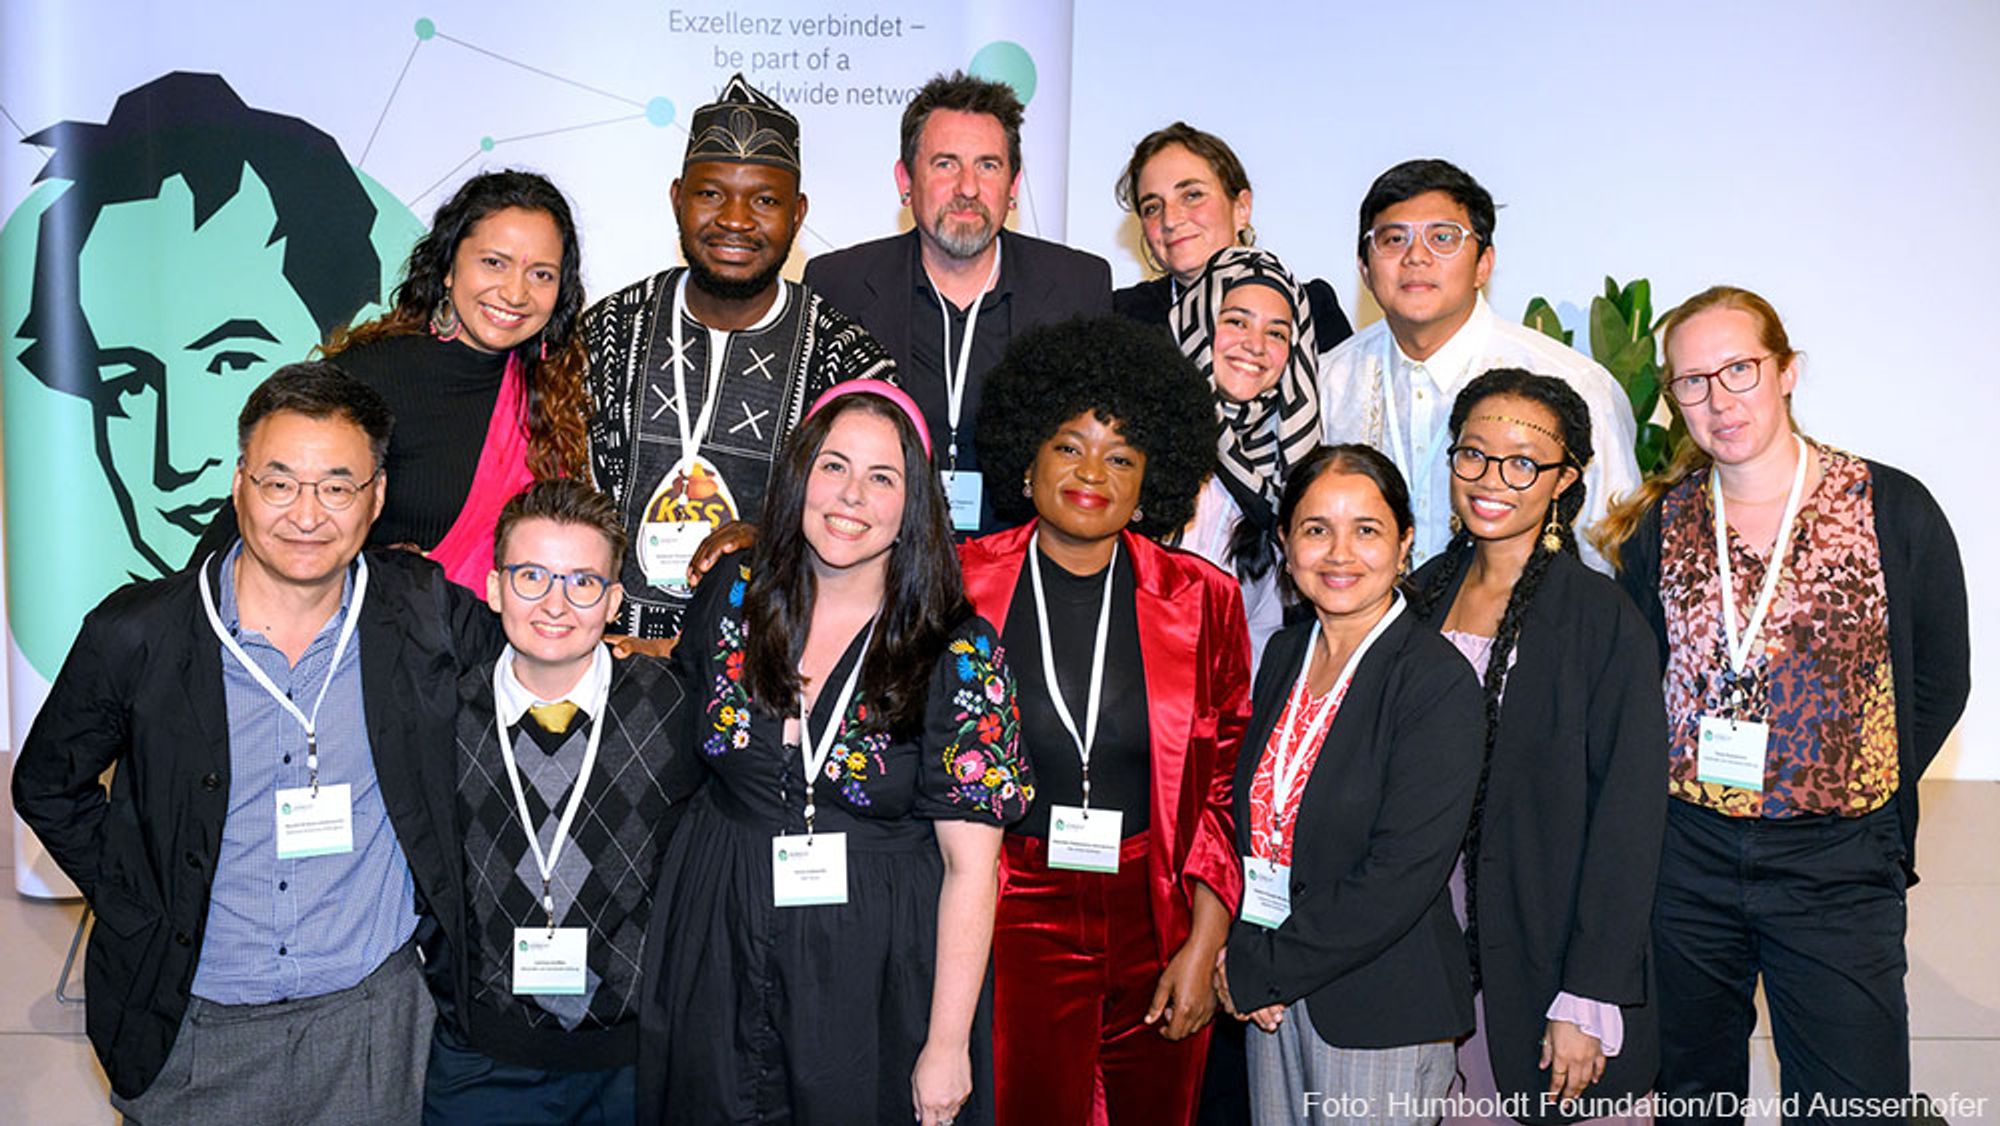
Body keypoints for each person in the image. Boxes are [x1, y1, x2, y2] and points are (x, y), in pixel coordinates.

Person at [11, 362, 503, 1123]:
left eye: (337, 486)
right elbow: (47, 783)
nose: (307, 514)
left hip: (373, 1028)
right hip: (193, 1029)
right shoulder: (138, 632)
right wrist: (137, 895)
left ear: (375, 498)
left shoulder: (424, 613)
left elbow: (546, 652)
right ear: (240, 485)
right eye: (279, 483)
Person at [1596, 287, 1969, 1125]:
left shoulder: (1888, 507)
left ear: (1787, 370)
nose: (1718, 400)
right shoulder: (1662, 524)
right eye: (1692, 382)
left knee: (1852, 1105)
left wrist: (1852, 776)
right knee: (1695, 1100)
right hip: (1686, 862)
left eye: (1739, 370)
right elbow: (1638, 689)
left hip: (1836, 865)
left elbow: (1942, 677)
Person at [638, 381, 1033, 1124]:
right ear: (798, 477)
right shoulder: (733, 595)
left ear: (913, 504)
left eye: (883, 478)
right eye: (833, 466)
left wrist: (947, 1043)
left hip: (872, 974)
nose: (852, 496)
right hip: (716, 943)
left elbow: (972, 868)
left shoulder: (958, 649)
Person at [958, 316, 1251, 1125]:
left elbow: (1228, 784)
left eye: (1121, 455)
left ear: (1152, 477)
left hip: (1157, 909)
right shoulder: (958, 586)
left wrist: (1205, 940)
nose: (1094, 471)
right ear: (1027, 459)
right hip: (1010, 910)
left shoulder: (1203, 598)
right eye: (1069, 446)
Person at [1408, 369, 1665, 1123]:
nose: (1492, 479)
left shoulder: (1601, 619)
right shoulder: (1415, 598)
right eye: (1474, 455)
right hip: (1427, 948)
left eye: (1523, 463)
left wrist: (1587, 997)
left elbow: (1629, 818)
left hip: (1547, 946)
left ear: (1565, 480)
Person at [12, 71, 388, 582]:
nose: (174, 463)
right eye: (124, 386)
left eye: (231, 362)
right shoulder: (115, 645)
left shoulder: (417, 623)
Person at [1217, 444, 1484, 1126]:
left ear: (1405, 544)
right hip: (1275, 993)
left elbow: (1402, 874)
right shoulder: (1282, 653)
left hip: (1377, 1003)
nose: (1340, 553)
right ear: (1285, 542)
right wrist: (1253, 955)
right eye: (1315, 528)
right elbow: (1257, 828)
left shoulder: (1435, 681)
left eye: (1366, 529)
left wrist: (1268, 967)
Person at [586, 73, 897, 640]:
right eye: (710, 194)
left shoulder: (849, 364)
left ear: (798, 215)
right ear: (678, 198)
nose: (734, 219)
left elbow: (887, 530)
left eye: (764, 200)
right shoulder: (606, 332)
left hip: (771, 671)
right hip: (608, 662)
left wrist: (775, 539)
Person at [423, 479, 694, 1122]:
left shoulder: (673, 707)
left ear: (614, 601)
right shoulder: (442, 714)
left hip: (633, 1067)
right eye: (531, 576)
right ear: (493, 588)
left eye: (582, 582)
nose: (555, 603)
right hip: (484, 1063)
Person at [192, 170, 592, 590]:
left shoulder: (555, 389)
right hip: (370, 646)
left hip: (503, 650)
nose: (515, 293)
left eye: (541, 274)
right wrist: (380, 570)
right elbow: (248, 530)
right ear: (449, 266)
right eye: (494, 263)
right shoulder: (370, 377)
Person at [805, 70, 1113, 535]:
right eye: (946, 164)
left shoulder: (1078, 287)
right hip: (882, 568)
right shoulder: (838, 285)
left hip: (1021, 571)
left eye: (988, 165)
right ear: (905, 180)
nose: (968, 187)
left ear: (1013, 186)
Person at [1317, 159, 1639, 573]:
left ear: (1484, 263)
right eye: (1394, 239)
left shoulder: (1572, 384)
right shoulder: (1327, 382)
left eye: (1443, 238)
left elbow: (1608, 557)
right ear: (1364, 267)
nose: (1416, 256)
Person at [1170, 245, 1322, 663]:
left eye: (1276, 333)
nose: (1255, 345)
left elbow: (1264, 637)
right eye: (1236, 321)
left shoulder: (1290, 463)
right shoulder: (1141, 440)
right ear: (1199, 323)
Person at [1113, 121, 1353, 354]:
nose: (1170, 220)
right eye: (1152, 208)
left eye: (1192, 195)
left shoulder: (1308, 309)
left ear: (1241, 208)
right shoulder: (1121, 317)